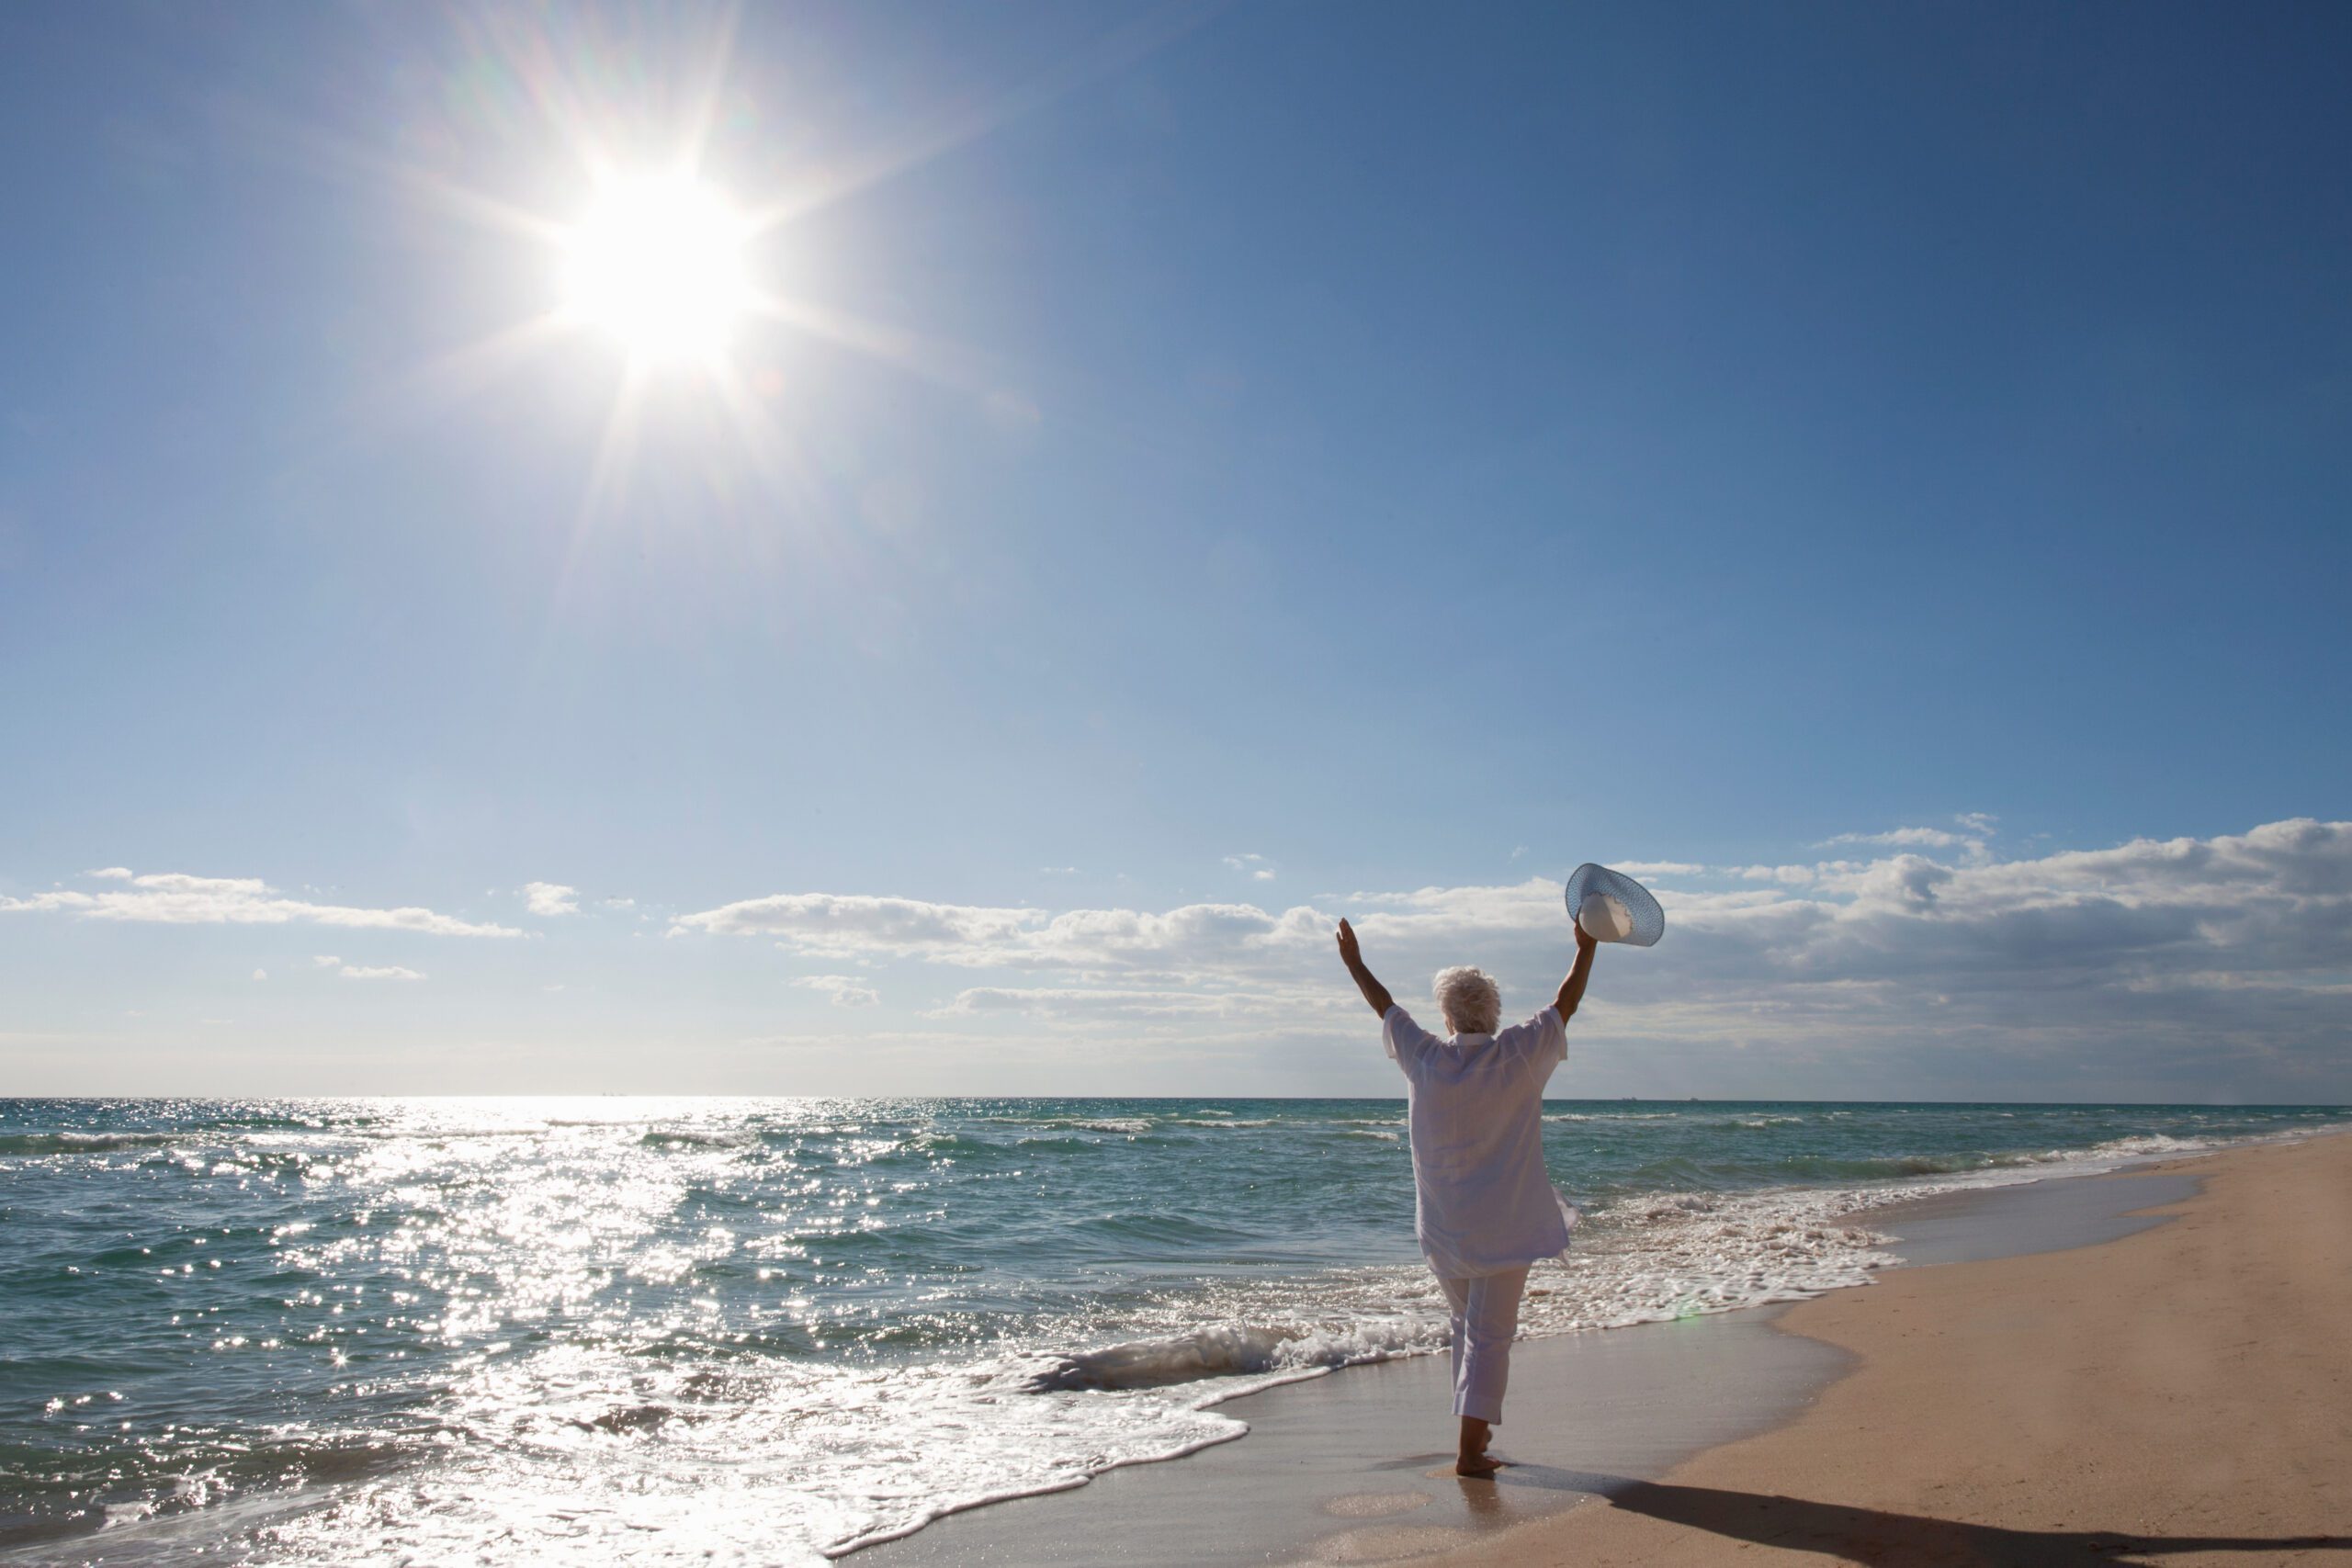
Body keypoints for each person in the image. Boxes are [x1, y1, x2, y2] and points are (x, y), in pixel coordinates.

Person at [1334, 914, 1598, 1477]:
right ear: (1494, 1013)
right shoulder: (1520, 1055)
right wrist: (1586, 948)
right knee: (1490, 1337)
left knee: (1468, 1331)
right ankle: (1470, 1452)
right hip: (1504, 1228)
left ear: (1448, 1016)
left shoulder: (1425, 1057)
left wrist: (1355, 963)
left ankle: (1472, 1440)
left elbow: (1385, 1008)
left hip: (1444, 1230)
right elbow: (1564, 1004)